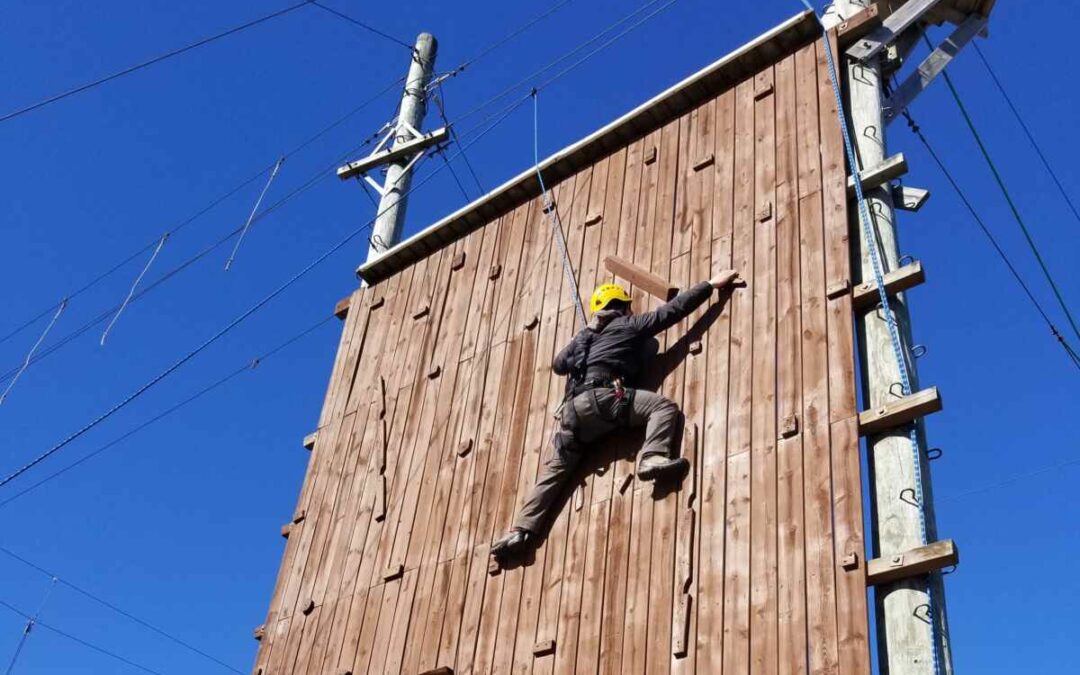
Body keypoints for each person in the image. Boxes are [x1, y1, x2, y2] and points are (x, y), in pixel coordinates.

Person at [491, 269, 741, 558]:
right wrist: (709, 285)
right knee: (662, 408)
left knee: (555, 471)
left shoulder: (585, 342)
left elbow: (559, 365)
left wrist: (585, 332)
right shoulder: (628, 326)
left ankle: (521, 530)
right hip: (604, 399)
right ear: (621, 307)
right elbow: (672, 312)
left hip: (573, 415)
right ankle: (652, 457)